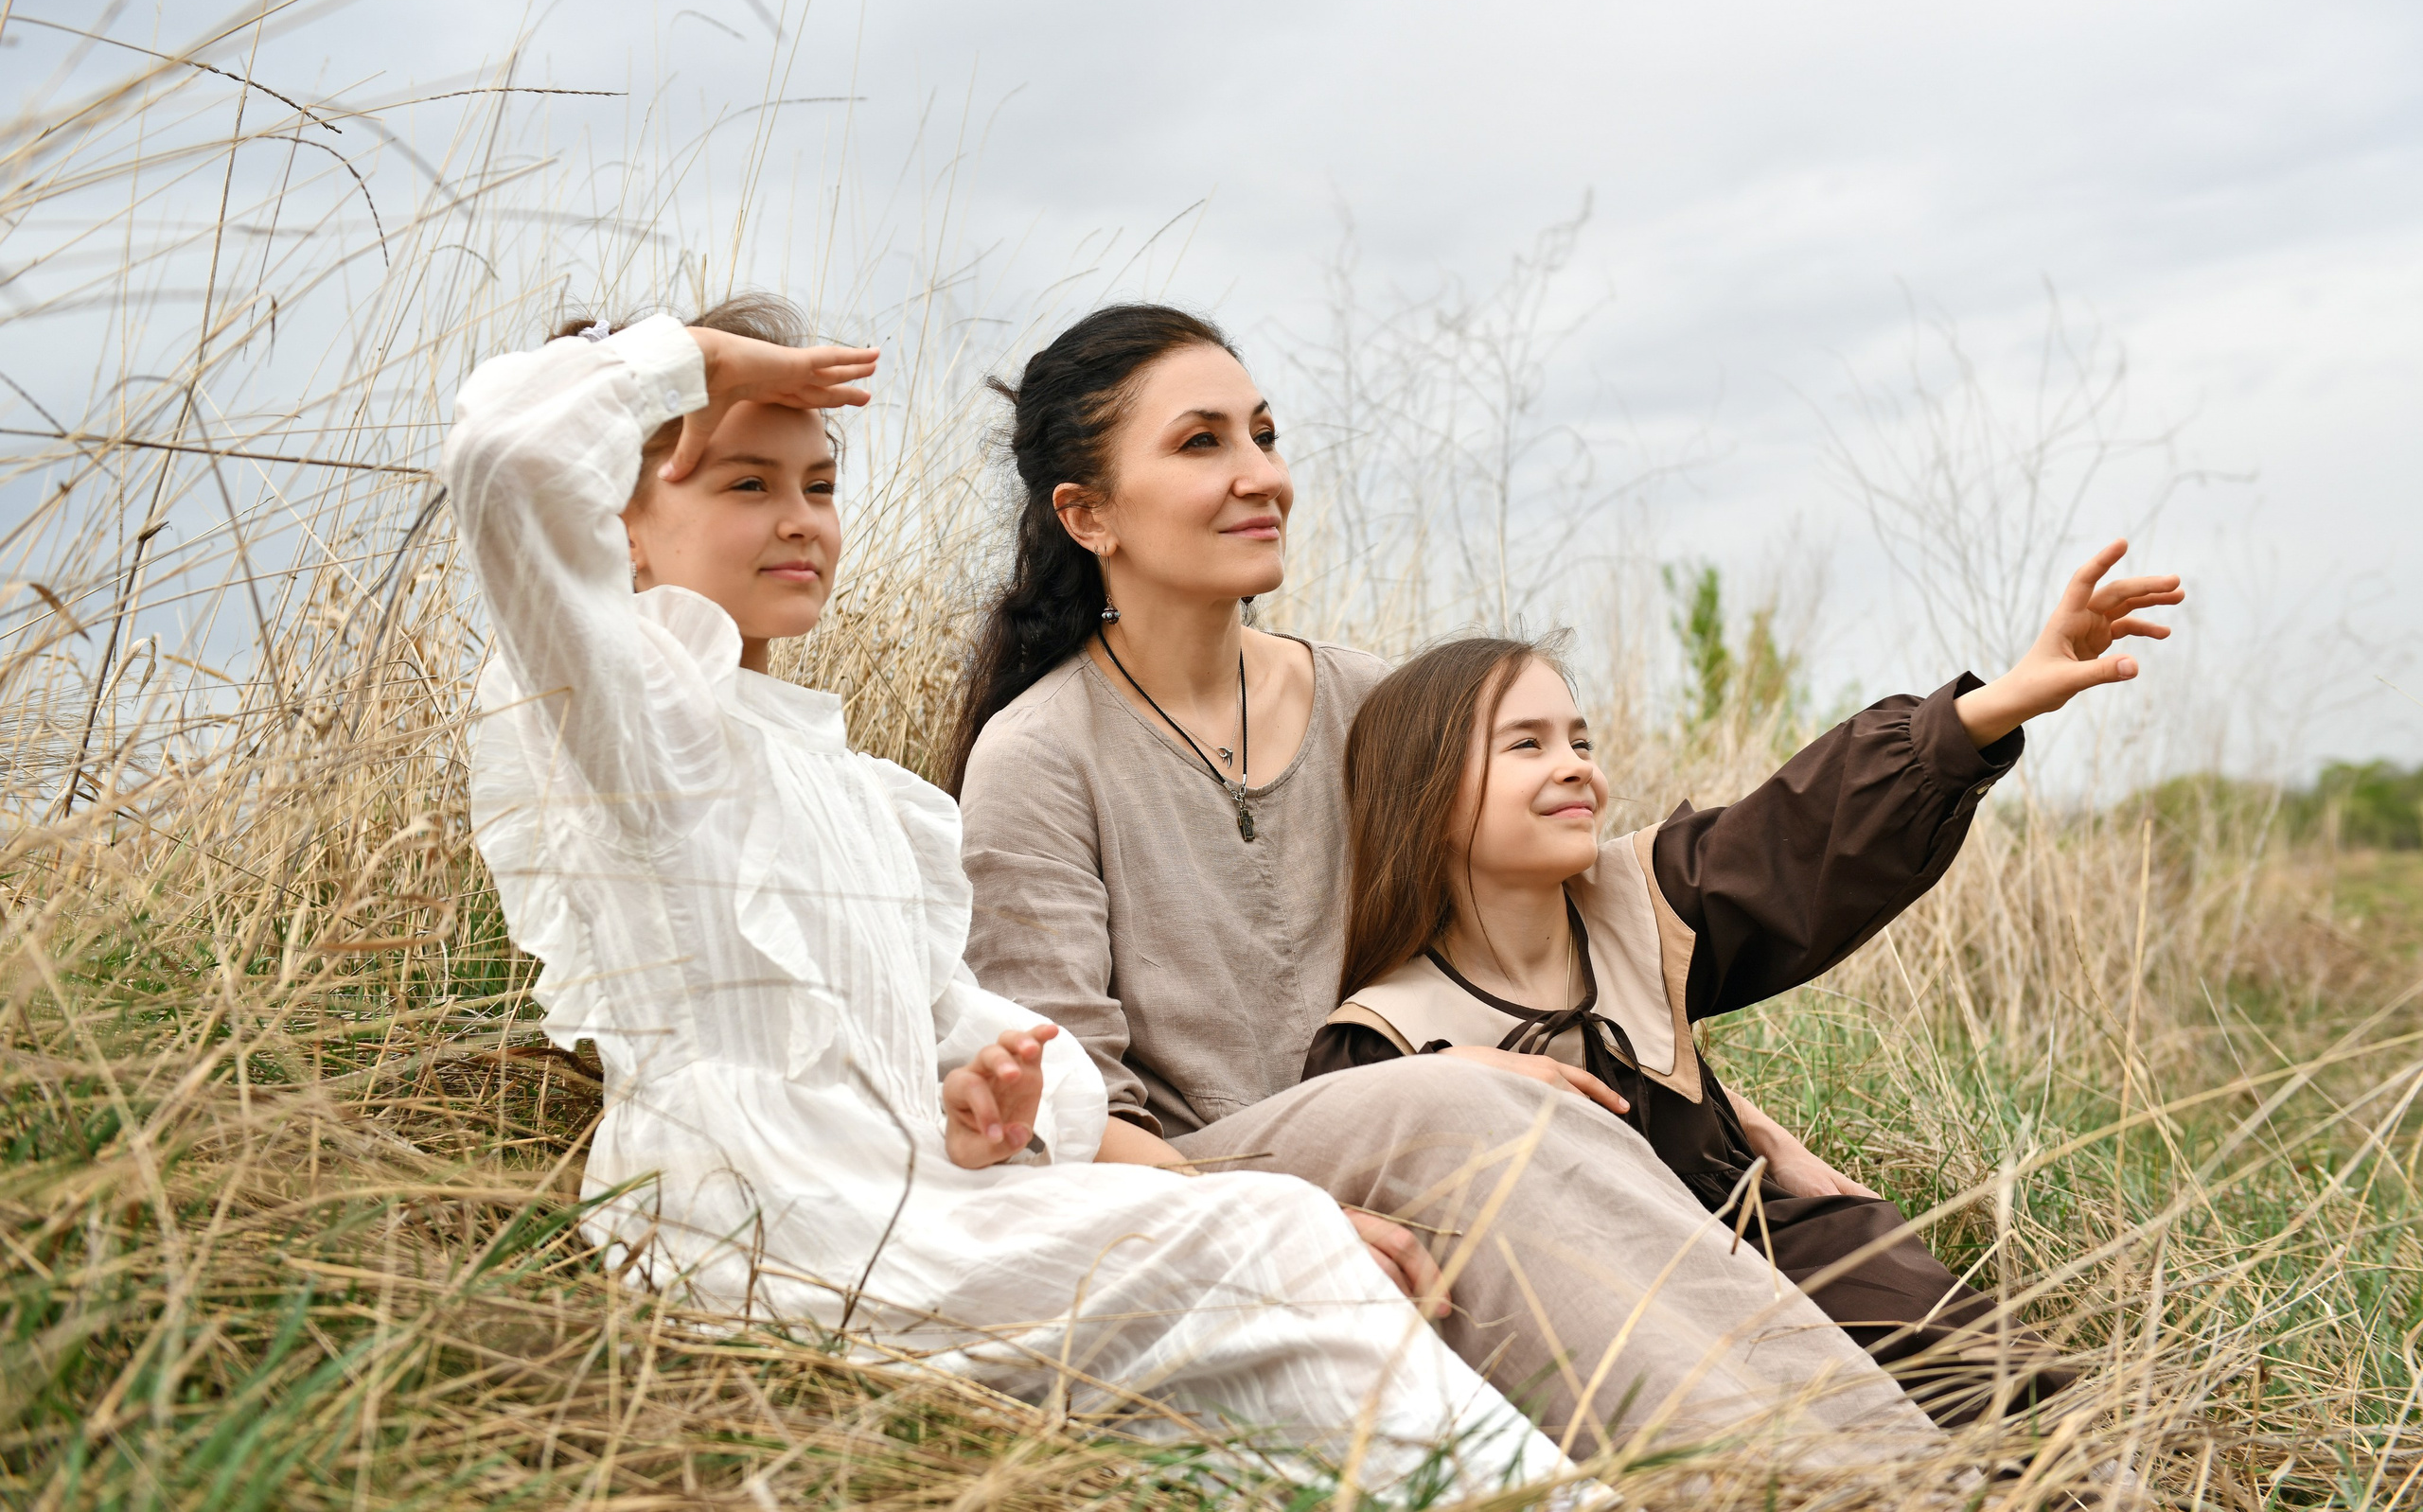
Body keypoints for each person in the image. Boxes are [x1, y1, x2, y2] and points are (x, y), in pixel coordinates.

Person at [442, 294, 1592, 1501]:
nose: (798, 522)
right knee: (1273, 1243)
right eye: (743, 485)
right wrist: (699, 360)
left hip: (912, 1202)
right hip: (759, 1226)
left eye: (819, 487)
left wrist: (984, 1105)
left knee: (1279, 1246)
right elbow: (504, 454)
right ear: (621, 530)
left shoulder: (858, 791)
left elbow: (957, 1026)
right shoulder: (625, 726)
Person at [953, 305, 1945, 1454]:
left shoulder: (1374, 702)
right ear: (1087, 514)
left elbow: (1547, 936)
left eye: (1264, 435)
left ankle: (1904, 1470)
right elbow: (1072, 1108)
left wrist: (1738, 1125)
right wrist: (1284, 1224)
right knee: (1474, 1105)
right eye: (1200, 444)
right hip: (1207, 1174)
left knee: (1766, 1231)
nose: (1260, 476)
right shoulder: (1037, 757)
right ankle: (1815, 1482)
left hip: (1463, 1117)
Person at [1302, 583, 2177, 1422]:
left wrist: (1999, 704)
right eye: (1525, 745)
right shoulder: (1385, 1042)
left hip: (1780, 1255)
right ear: (1423, 793)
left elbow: (1799, 832)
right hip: (1622, 1352)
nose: (1574, 768)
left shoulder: (1644, 897)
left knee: (2004, 1390)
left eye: (1581, 740)